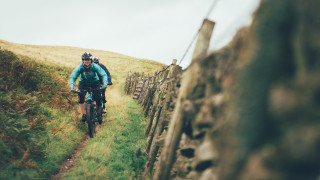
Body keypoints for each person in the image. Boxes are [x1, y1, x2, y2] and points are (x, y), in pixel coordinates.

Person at [70, 52, 108, 123]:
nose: (87, 61)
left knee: (98, 99)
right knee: (81, 98)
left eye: (88, 59)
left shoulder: (94, 66)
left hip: (95, 82)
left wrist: (104, 84)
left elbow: (103, 74)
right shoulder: (80, 67)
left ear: (91, 60)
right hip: (83, 82)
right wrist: (72, 87)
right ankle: (84, 114)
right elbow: (73, 76)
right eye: (85, 59)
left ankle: (99, 115)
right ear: (83, 60)